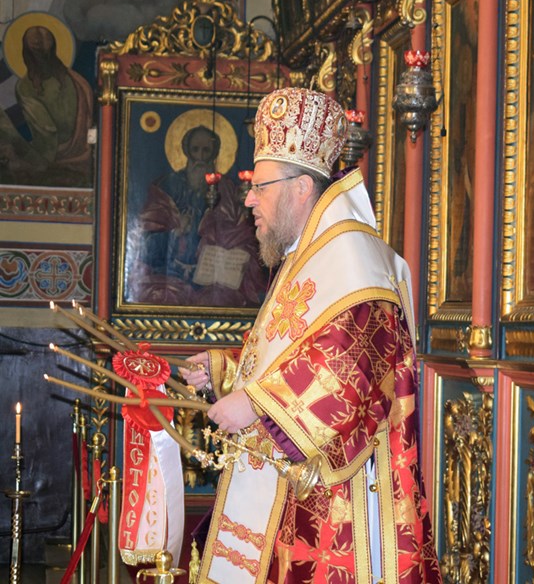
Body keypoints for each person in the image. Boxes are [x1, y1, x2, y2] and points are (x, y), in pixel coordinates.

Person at [180, 87, 442, 583]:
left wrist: (255, 404)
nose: (248, 199)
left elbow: (348, 375)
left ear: (301, 187)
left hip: (345, 502)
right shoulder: (308, 252)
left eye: (260, 186)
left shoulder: (352, 258)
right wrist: (226, 371)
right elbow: (295, 353)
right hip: (303, 484)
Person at [129, 124, 267, 307]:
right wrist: (174, 232)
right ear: (186, 151)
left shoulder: (226, 189)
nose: (201, 157)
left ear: (214, 153)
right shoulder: (165, 187)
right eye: (195, 149)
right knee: (161, 296)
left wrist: (225, 239)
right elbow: (144, 244)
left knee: (223, 300)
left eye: (206, 150)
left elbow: (243, 235)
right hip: (170, 277)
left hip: (216, 279)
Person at [0, 25, 94, 186]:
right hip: (84, 156)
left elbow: (47, 134)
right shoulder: (77, 79)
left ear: (25, 54)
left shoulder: (26, 87)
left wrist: (30, 160)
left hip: (49, 157)